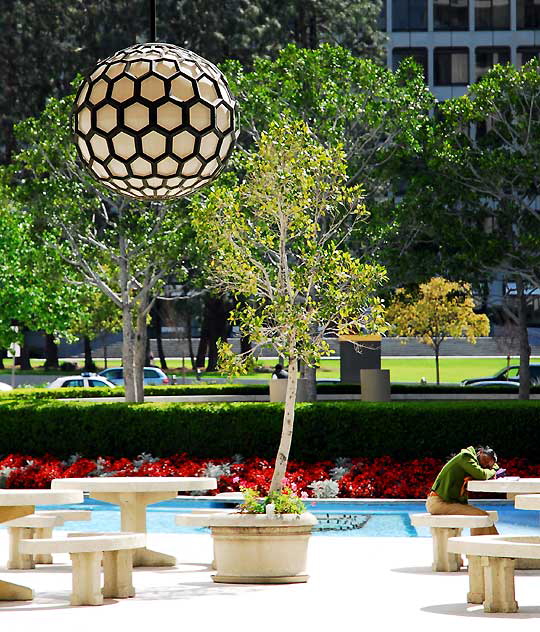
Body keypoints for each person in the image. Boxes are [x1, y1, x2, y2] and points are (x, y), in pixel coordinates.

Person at [426, 446, 501, 535]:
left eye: (487, 464)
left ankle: (492, 545)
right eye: (485, 459)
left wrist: (490, 469)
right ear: (480, 452)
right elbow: (482, 475)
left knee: (484, 516)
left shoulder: (471, 464)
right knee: (480, 517)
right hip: (438, 503)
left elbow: (481, 473)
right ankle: (478, 547)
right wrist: (494, 469)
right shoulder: (465, 456)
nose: (484, 464)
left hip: (447, 502)